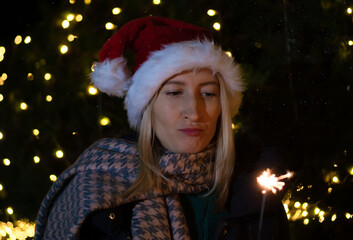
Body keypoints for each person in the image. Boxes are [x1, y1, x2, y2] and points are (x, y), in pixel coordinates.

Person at [34, 16, 289, 240]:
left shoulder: (258, 195)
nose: (194, 112)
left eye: (209, 94)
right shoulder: (94, 193)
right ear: (148, 107)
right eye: (175, 92)